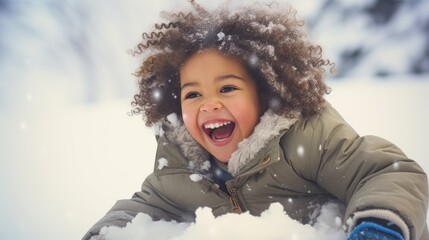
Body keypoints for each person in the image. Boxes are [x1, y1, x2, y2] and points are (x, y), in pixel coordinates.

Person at [83, 1, 428, 239]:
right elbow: (142, 209)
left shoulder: (305, 136)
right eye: (193, 94)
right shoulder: (179, 165)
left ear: (263, 92)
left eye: (227, 88)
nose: (209, 104)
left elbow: (382, 172)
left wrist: (379, 229)